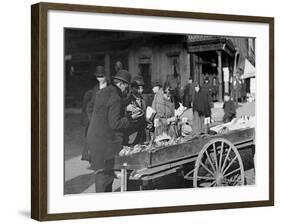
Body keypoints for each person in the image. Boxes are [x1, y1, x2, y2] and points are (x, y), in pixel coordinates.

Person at [86, 70, 141, 193]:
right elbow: (115, 124)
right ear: (121, 84)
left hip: (94, 137)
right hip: (104, 141)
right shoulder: (115, 97)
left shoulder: (104, 91)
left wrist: (124, 107)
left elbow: (103, 109)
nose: (126, 90)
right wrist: (131, 118)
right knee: (105, 176)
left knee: (101, 173)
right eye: (126, 86)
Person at [81, 65, 108, 161]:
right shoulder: (93, 90)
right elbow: (88, 107)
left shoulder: (109, 88)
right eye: (98, 77)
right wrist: (92, 119)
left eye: (102, 76)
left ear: (105, 76)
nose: (100, 79)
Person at [124, 76, 147, 145]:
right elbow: (122, 116)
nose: (141, 91)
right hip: (131, 135)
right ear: (132, 88)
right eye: (138, 88)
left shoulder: (143, 100)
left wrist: (147, 122)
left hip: (142, 135)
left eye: (142, 88)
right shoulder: (127, 100)